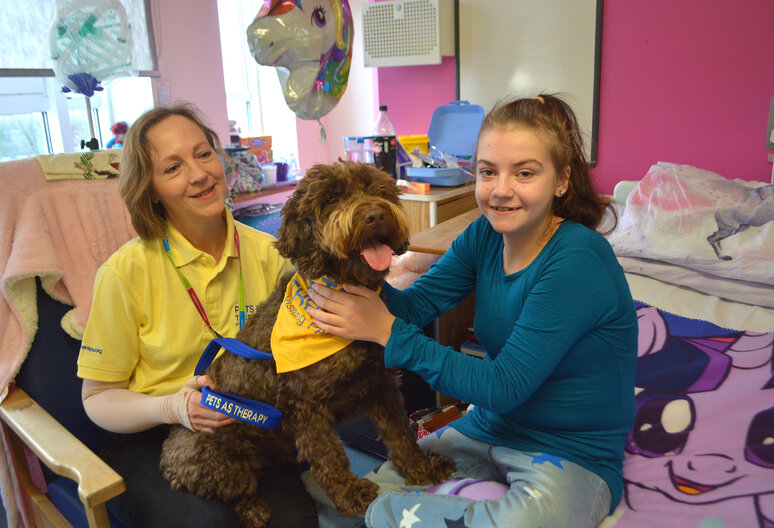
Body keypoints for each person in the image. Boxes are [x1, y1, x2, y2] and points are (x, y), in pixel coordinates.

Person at [306, 94, 638, 528]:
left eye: (524, 172)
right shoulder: (484, 234)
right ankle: (378, 514)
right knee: (364, 484)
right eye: (487, 172)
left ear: (561, 180)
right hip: (489, 427)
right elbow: (416, 304)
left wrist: (387, 332)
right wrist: (358, 272)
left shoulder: (577, 259)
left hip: (571, 451)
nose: (501, 190)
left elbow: (504, 386)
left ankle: (374, 516)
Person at [77, 103, 317, 528]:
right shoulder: (124, 274)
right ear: (150, 190)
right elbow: (97, 399)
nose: (199, 174)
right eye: (172, 167)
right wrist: (174, 407)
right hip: (151, 436)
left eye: (203, 153)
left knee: (295, 521)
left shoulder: (267, 253)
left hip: (245, 429)